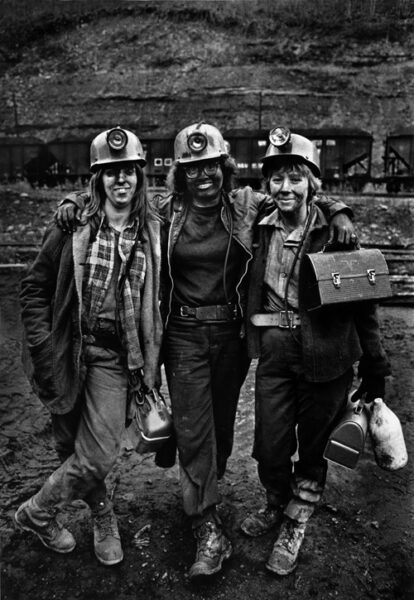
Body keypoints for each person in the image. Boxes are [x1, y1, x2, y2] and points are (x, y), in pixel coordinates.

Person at [55, 121, 356, 580]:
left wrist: (339, 210)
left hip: (232, 338)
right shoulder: (165, 211)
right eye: (193, 167)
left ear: (225, 167)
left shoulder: (246, 205)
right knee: (195, 431)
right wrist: (75, 199)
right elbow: (117, 198)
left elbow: (300, 197)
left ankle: (208, 496)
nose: (204, 176)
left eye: (212, 165)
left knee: (218, 430)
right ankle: (207, 527)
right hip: (183, 337)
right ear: (180, 173)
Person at [242, 127, 391, 576]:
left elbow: (363, 301)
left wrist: (376, 364)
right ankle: (275, 500)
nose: (285, 188)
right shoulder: (258, 225)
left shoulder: (336, 233)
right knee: (269, 444)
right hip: (274, 351)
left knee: (313, 446)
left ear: (312, 182)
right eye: (277, 179)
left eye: (296, 178)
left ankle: (297, 517)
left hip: (328, 355)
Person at [15, 127, 163, 566]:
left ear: (139, 176)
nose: (121, 180)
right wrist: (44, 345)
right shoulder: (73, 224)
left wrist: (336, 208)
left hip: (116, 359)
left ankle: (35, 513)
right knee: (70, 448)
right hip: (66, 351)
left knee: (96, 455)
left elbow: (219, 196)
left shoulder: (155, 227)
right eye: (110, 172)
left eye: (128, 172)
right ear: (97, 179)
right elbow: (33, 288)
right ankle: (103, 515)